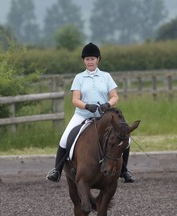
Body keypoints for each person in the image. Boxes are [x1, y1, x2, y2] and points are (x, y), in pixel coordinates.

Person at [46, 42, 135, 183]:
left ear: (98, 59)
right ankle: (57, 170)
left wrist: (108, 104)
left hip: (103, 117)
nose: (90, 62)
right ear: (84, 61)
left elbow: (115, 96)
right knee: (64, 139)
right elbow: (75, 100)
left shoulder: (106, 76)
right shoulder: (79, 78)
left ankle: (124, 170)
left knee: (126, 140)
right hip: (82, 115)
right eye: (87, 59)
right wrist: (87, 106)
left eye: (92, 59)